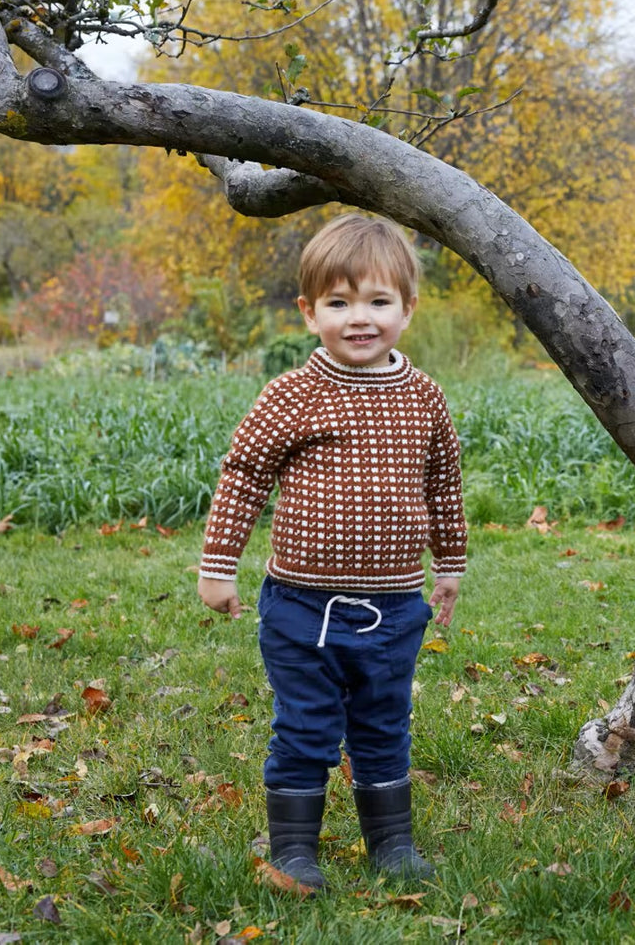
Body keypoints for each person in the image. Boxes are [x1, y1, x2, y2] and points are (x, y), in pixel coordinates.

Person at [196, 212, 467, 892]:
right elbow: (243, 474)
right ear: (308, 312)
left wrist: (451, 563)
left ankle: (393, 843)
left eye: (378, 301)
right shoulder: (292, 394)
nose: (359, 318)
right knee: (307, 727)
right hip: (301, 605)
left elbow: (443, 484)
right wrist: (217, 566)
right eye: (338, 303)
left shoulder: (424, 398)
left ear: (407, 308)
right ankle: (293, 849)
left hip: (396, 605)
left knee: (383, 723)